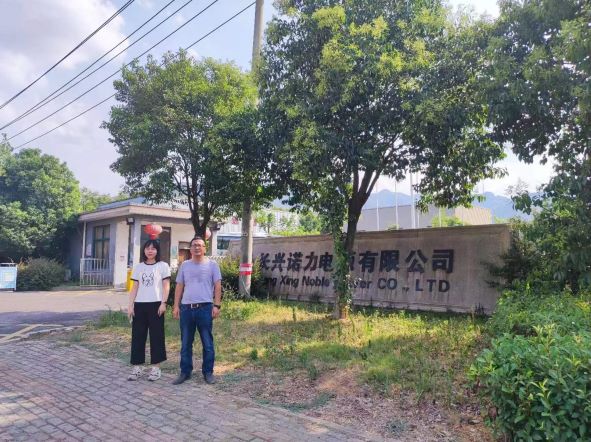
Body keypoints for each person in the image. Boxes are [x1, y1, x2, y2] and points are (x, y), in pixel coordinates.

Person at [172, 236, 222, 385]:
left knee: (207, 343)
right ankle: (185, 372)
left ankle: (208, 372)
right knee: (186, 343)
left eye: (200, 245)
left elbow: (218, 286)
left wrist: (217, 305)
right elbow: (179, 286)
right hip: (186, 309)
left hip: (205, 308)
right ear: (190, 248)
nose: (197, 247)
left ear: (205, 248)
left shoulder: (212, 265)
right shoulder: (185, 265)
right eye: (194, 245)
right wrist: (176, 306)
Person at [127, 239, 171, 381]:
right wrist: (130, 305)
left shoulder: (163, 266)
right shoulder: (138, 267)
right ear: (144, 250)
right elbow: (134, 288)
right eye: (147, 248)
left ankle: (156, 368)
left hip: (156, 305)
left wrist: (164, 303)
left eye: (153, 248)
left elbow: (166, 286)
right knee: (138, 336)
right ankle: (137, 367)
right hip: (139, 305)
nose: (150, 251)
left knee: (156, 337)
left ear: (157, 250)